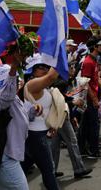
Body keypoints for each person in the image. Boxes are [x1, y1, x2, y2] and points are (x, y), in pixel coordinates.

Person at [0, 52, 42, 189]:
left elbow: (21, 115)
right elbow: (7, 96)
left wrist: (33, 110)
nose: (18, 80)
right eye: (15, 78)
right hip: (0, 156)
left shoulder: (13, 98)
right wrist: (13, 69)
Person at [20, 54, 62, 190]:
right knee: (48, 171)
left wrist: (51, 125)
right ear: (32, 70)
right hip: (36, 136)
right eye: (40, 67)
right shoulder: (32, 84)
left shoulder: (41, 85)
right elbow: (52, 76)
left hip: (37, 134)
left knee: (21, 169)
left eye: (46, 66)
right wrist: (59, 53)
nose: (45, 69)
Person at [79, 39, 101, 159]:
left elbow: (96, 80)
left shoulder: (94, 60)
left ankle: (85, 148)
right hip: (90, 99)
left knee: (87, 125)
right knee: (93, 125)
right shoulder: (88, 62)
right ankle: (93, 150)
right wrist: (95, 99)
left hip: (93, 97)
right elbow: (85, 83)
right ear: (95, 47)